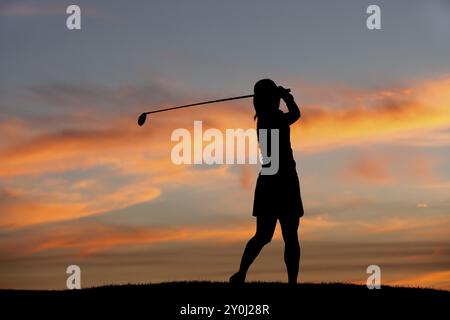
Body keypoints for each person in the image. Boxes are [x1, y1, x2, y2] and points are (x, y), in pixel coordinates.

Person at [230, 79, 304, 285]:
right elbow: (296, 114)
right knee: (287, 235)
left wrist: (277, 95)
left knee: (265, 235)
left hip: (270, 180)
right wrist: (287, 97)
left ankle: (241, 274)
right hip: (284, 179)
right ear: (271, 99)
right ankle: (289, 283)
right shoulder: (271, 117)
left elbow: (292, 115)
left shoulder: (263, 117)